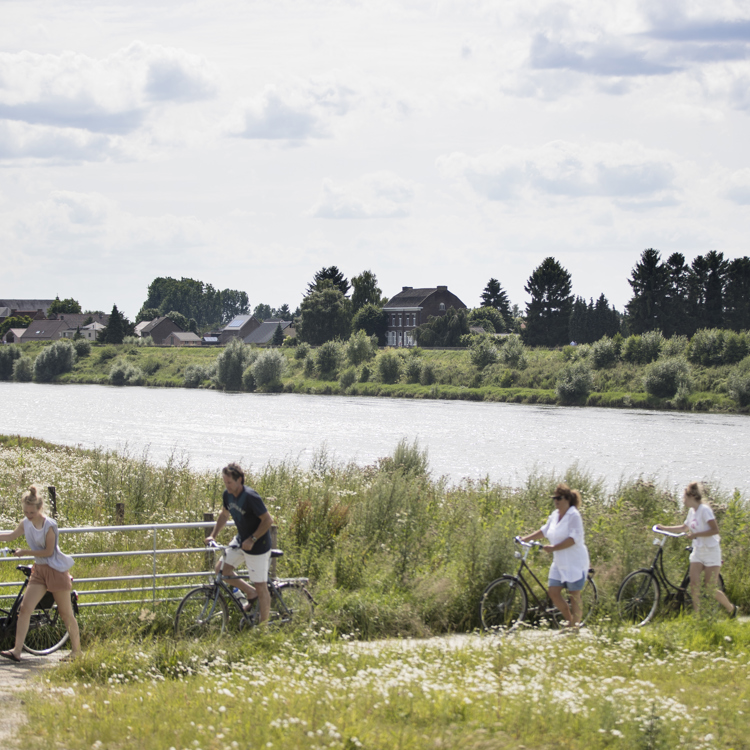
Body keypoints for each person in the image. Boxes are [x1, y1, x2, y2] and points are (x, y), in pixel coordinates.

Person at [0, 485, 81, 662]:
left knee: (66, 612)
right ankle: (17, 650)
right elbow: (11, 536)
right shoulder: (25, 523)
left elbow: (48, 551)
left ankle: (77, 651)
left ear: (39, 508)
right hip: (39, 570)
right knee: (25, 608)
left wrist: (24, 552)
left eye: (31, 512)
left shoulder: (49, 525)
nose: (28, 515)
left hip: (56, 570)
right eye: (26, 512)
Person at [205, 463, 274, 623]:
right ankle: (250, 593)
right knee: (221, 570)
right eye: (224, 482)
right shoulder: (227, 495)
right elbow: (224, 514)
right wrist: (213, 535)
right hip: (241, 540)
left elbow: (267, 520)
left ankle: (264, 630)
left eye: (229, 482)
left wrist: (253, 539)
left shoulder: (251, 497)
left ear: (240, 480)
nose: (226, 485)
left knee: (261, 586)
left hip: (258, 544)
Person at [656, 481, 737, 617]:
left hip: (711, 551)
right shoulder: (691, 512)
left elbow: (714, 530)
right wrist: (663, 528)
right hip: (698, 551)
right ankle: (698, 615)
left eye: (684, 498)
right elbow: (683, 528)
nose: (683, 501)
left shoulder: (705, 510)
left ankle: (731, 609)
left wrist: (695, 535)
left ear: (692, 496)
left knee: (710, 588)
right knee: (694, 584)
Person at [520, 483, 590, 629]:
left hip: (574, 561)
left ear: (567, 499)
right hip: (559, 560)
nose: (556, 501)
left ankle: (574, 627)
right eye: (554, 498)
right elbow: (544, 531)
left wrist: (553, 548)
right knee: (553, 592)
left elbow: (573, 539)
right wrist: (525, 539)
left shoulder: (574, 515)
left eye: (559, 498)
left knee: (574, 594)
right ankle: (569, 621)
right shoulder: (555, 515)